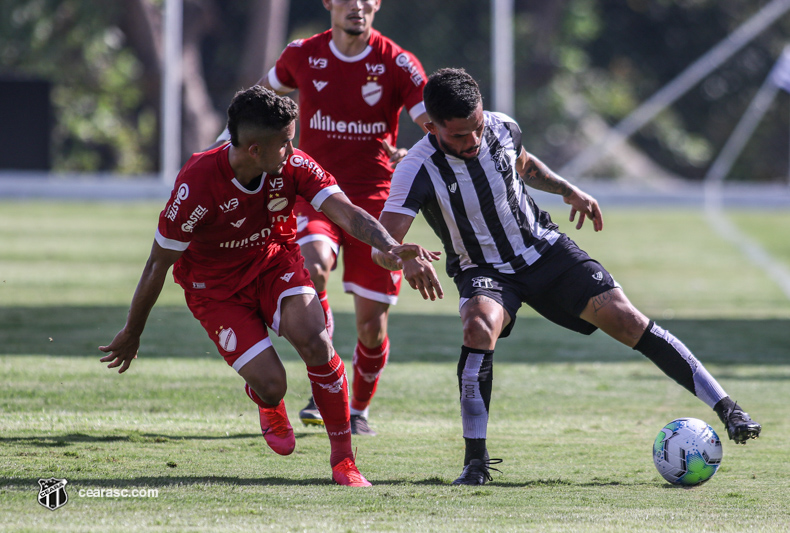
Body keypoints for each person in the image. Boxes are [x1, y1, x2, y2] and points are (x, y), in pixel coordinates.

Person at [372, 68, 762, 486]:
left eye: (477, 129)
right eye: (459, 136)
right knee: (477, 325)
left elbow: (523, 165)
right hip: (483, 269)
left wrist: (566, 190)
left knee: (628, 319)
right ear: (431, 126)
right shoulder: (417, 168)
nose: (472, 142)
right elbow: (381, 246)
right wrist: (404, 259)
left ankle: (728, 409)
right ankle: (476, 463)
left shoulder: (502, 127)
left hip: (544, 250)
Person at [99, 86, 438, 486]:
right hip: (215, 290)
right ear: (254, 150)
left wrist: (393, 246)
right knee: (273, 383)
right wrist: (133, 330)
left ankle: (344, 461)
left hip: (274, 263)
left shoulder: (293, 165)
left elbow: (345, 212)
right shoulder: (198, 183)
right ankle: (267, 400)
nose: (292, 149)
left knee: (317, 341)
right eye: (284, 142)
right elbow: (158, 263)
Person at [211, 0, 430, 435]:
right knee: (312, 266)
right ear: (329, 3)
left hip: (376, 203)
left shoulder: (399, 64)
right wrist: (218, 154)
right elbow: (255, 105)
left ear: (377, 4)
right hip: (314, 191)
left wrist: (413, 155)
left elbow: (434, 128)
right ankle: (325, 368)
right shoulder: (301, 54)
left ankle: (359, 409)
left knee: (371, 324)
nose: (357, 6)